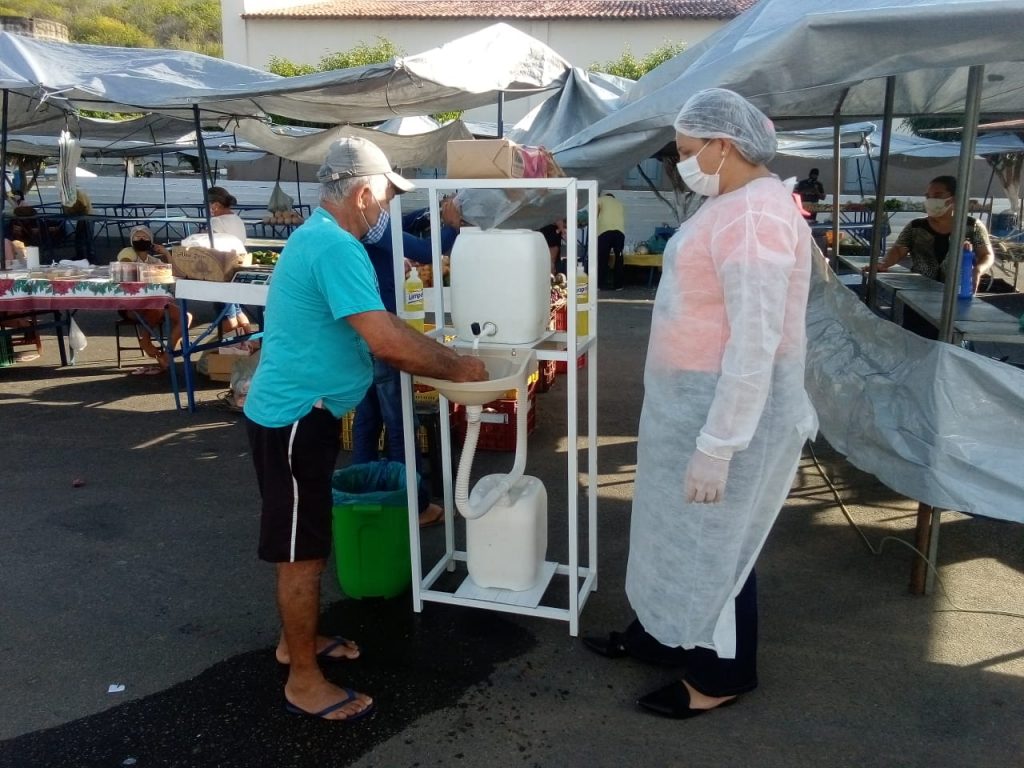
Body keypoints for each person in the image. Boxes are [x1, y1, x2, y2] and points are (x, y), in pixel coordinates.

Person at [582, 88, 818, 719]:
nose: (681, 163)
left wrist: (720, 444)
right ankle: (663, 634)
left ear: (724, 144)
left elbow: (756, 339)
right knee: (670, 532)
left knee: (717, 546)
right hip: (688, 402)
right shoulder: (731, 201)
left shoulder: (756, 217)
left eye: (687, 151)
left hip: (728, 411)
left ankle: (721, 675)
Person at [242, 137, 487, 722]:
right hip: (296, 418)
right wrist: (460, 368)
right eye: (386, 197)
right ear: (363, 194)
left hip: (304, 413)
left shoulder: (323, 238)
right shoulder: (335, 246)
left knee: (307, 539)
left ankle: (298, 643)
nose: (387, 209)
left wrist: (443, 355)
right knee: (301, 551)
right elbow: (385, 341)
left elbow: (380, 326)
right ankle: (303, 678)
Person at [352, 194, 462, 528]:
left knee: (367, 420)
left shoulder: (359, 222)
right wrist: (451, 225)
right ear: (367, 195)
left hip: (360, 334)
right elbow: (426, 251)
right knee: (400, 423)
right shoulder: (375, 226)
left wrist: (430, 212)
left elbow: (403, 221)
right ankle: (414, 506)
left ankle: (365, 499)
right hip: (384, 331)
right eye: (388, 195)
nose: (389, 202)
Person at [877, 175, 994, 289]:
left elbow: (987, 255)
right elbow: (898, 250)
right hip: (917, 290)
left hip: (958, 291)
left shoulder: (972, 226)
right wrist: (884, 263)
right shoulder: (915, 227)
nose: (931, 200)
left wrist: (978, 270)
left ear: (954, 199)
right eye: (928, 197)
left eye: (937, 196)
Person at [115, 226, 191, 372]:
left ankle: (167, 355)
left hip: (156, 302)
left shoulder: (153, 261)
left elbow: (177, 274)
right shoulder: (128, 252)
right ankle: (145, 340)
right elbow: (126, 267)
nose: (141, 239)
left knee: (185, 317)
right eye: (137, 237)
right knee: (157, 307)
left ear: (151, 241)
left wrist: (166, 254)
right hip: (131, 304)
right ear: (131, 240)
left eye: (145, 237)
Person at [206, 186, 252, 335]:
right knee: (236, 308)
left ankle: (222, 344)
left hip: (222, 269)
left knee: (227, 314)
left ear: (215, 205)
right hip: (239, 266)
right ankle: (250, 341)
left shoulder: (216, 221)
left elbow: (210, 245)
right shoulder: (237, 219)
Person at [596, 192, 626, 290]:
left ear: (605, 196)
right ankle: (618, 285)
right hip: (620, 233)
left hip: (605, 232)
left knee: (603, 258)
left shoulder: (600, 199)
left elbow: (594, 214)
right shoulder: (619, 203)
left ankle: (599, 284)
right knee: (619, 258)